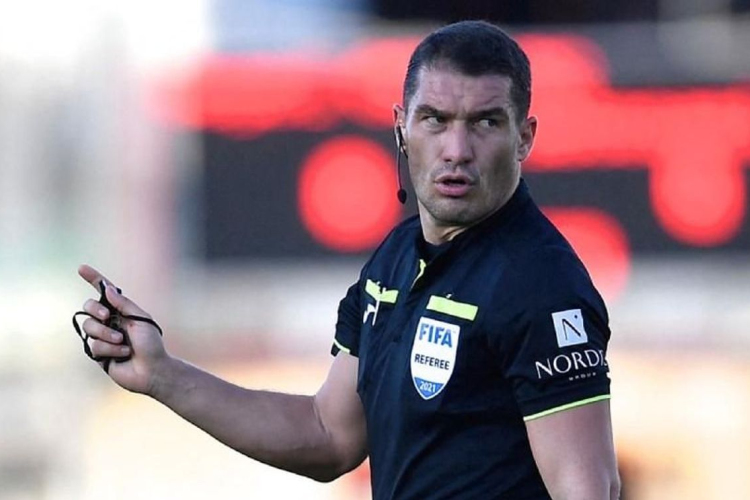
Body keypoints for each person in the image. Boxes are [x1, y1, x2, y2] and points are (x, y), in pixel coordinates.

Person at [75, 20, 620, 500]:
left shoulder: (541, 285)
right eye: (435, 119)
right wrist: (162, 374)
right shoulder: (394, 262)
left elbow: (588, 490)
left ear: (524, 137)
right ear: (402, 127)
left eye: (485, 123)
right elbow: (328, 434)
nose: (457, 149)